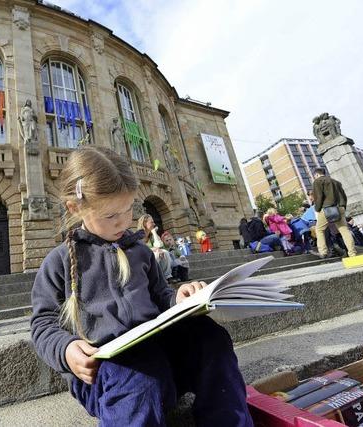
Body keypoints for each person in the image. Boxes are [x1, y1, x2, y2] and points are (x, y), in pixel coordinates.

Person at [30, 146, 253, 427]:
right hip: (107, 375)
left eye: (129, 209)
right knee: (138, 370)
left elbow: (161, 297)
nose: (124, 221)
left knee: (212, 338)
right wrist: (66, 349)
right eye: (111, 215)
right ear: (75, 207)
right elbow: (42, 323)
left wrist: (179, 300)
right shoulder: (58, 261)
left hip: (163, 359)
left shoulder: (141, 252)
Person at [312, 167, 356, 258]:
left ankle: (323, 252)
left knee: (319, 230)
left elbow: (319, 197)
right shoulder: (336, 182)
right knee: (344, 230)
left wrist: (317, 209)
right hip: (339, 207)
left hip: (327, 208)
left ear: (316, 174)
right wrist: (343, 207)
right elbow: (344, 196)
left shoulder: (317, 181)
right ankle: (352, 253)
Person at [137, 214, 173, 282]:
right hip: (142, 258)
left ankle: (167, 276)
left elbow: (159, 245)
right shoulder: (138, 235)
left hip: (154, 255)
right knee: (156, 255)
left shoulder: (152, 235)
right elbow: (140, 249)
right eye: (151, 222)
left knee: (165, 252)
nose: (154, 224)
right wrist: (154, 249)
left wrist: (154, 232)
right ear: (145, 223)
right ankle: (156, 278)